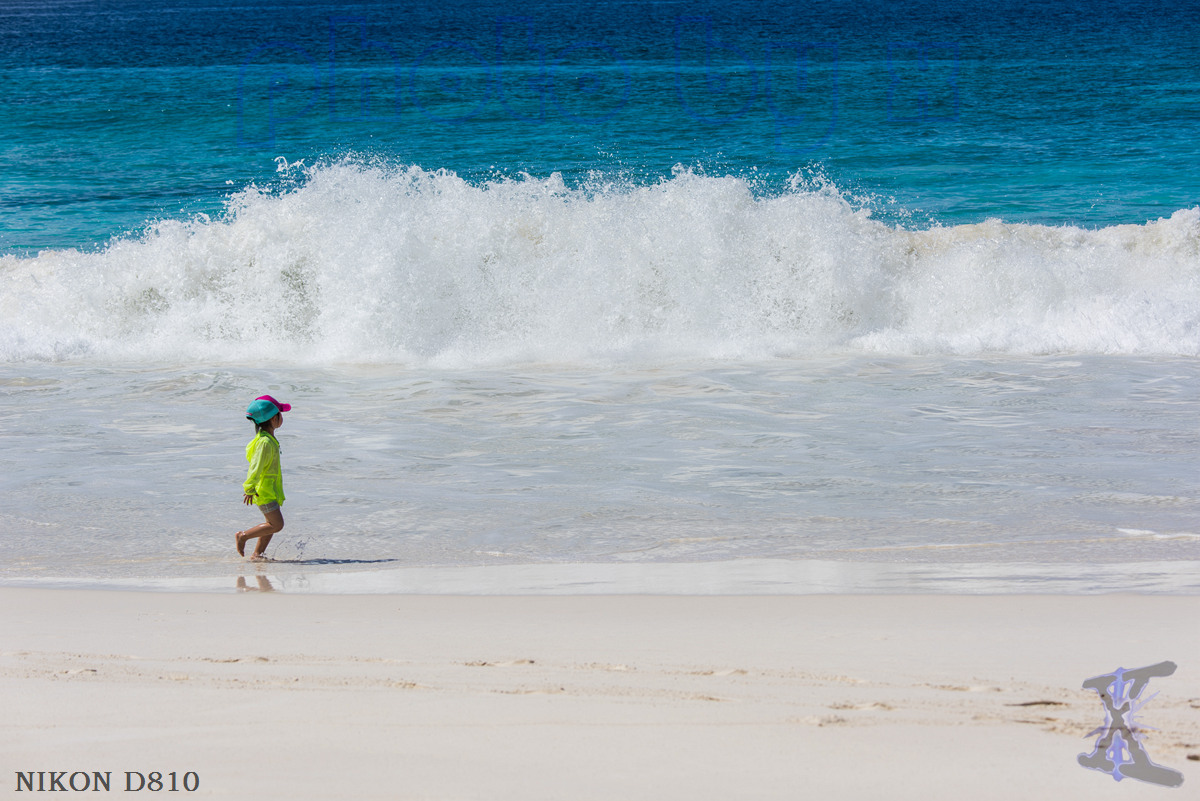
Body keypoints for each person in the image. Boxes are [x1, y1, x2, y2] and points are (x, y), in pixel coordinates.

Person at [236, 395, 291, 560]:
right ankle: (243, 536)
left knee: (270, 525)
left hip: (270, 490)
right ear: (274, 418)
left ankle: (257, 555)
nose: (282, 417)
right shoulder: (265, 443)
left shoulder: (267, 439)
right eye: (280, 414)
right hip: (264, 491)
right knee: (276, 525)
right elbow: (256, 466)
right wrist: (249, 487)